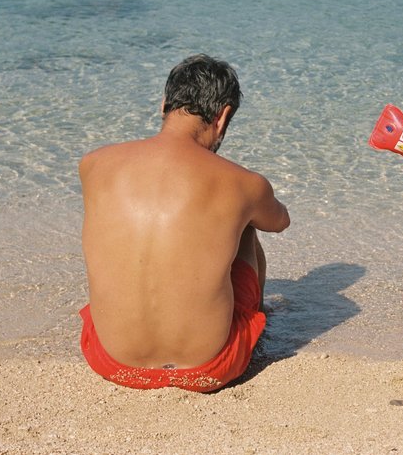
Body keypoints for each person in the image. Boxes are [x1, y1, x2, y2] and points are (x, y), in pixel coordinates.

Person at [78, 54, 290, 392]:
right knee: (248, 220)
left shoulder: (93, 165)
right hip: (211, 368)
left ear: (164, 105)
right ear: (223, 117)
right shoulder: (242, 183)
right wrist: (244, 201)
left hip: (112, 363)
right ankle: (257, 324)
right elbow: (279, 222)